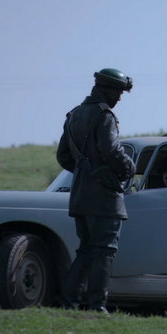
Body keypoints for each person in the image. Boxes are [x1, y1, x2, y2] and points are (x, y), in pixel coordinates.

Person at [56, 68, 136, 313]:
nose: (120, 98)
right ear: (106, 90)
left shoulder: (75, 115)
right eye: (118, 93)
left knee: (87, 250)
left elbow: (63, 156)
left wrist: (85, 170)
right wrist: (128, 168)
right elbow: (111, 150)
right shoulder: (105, 116)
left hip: (81, 193)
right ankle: (97, 306)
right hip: (104, 196)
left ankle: (70, 303)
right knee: (104, 251)